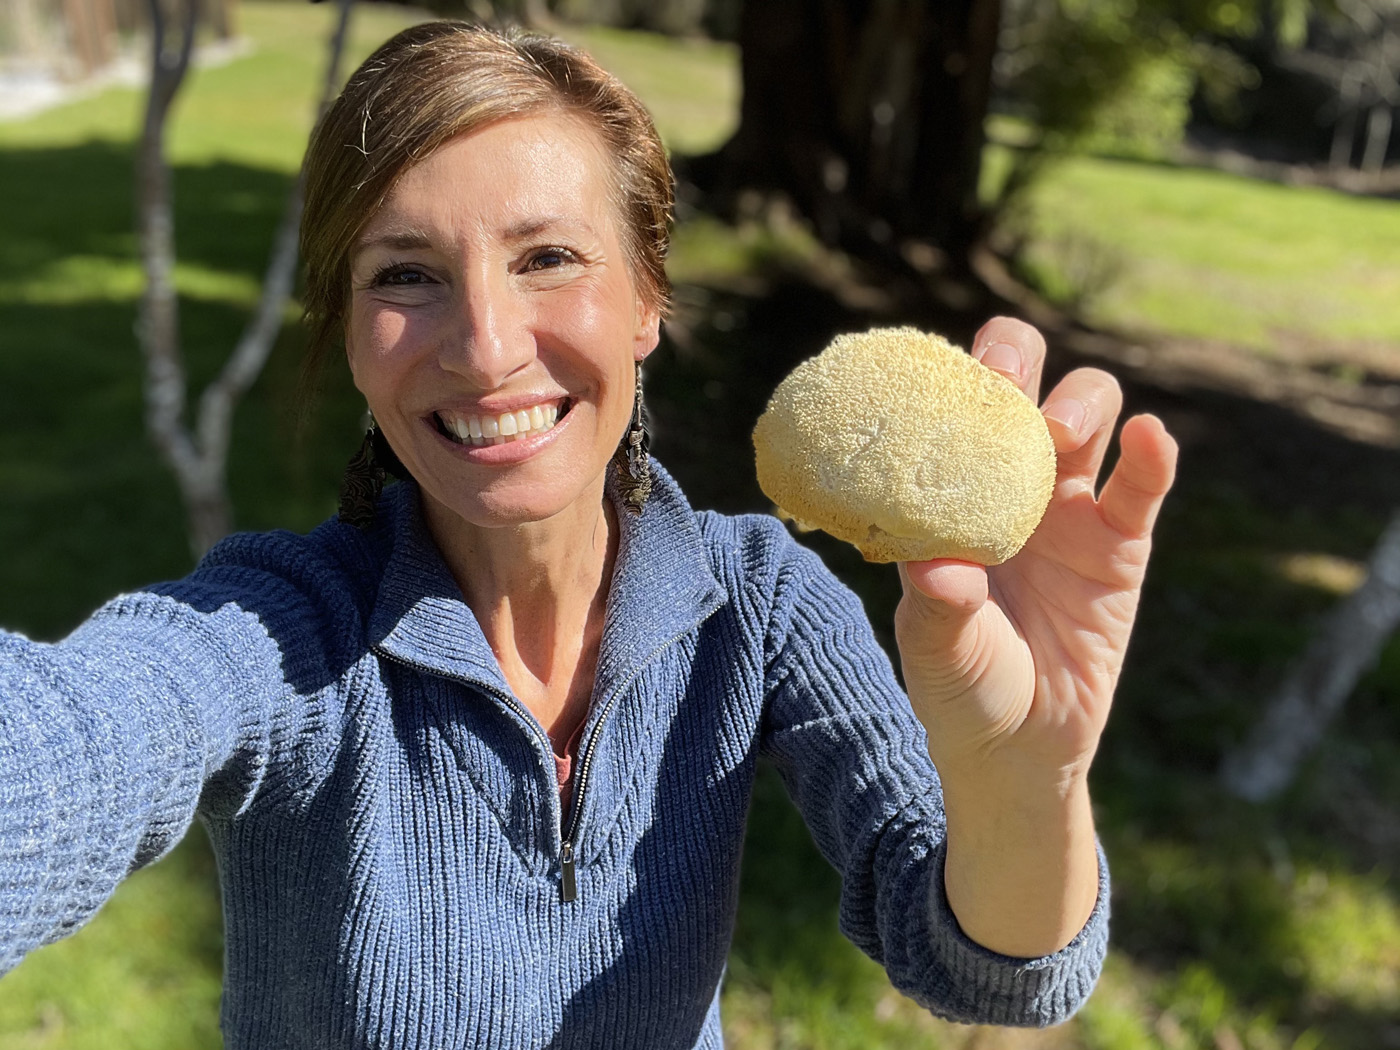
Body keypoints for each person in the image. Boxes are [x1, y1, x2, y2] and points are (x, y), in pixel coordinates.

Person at [0, 20, 1178, 1049]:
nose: (485, 345)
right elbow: (74, 741)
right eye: (406, 275)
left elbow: (986, 968)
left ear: (648, 300)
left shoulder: (757, 603)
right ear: (351, 337)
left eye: (548, 258)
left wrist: (1027, 769)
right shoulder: (280, 629)